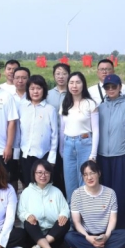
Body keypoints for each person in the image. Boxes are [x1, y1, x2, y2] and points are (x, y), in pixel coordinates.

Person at [65, 160, 125, 248]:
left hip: (105, 235)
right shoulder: (77, 194)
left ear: (99, 173)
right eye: (85, 175)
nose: (89, 177)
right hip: (86, 235)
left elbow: (113, 220)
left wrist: (106, 236)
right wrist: (88, 238)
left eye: (92, 173)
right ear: (82, 177)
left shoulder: (110, 193)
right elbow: (77, 222)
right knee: (69, 237)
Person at [97, 74, 125, 228]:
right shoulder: (100, 107)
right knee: (104, 190)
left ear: (120, 87)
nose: (111, 89)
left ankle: (121, 224)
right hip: (103, 156)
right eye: (107, 87)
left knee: (121, 191)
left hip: (122, 155)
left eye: (114, 86)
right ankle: (105, 223)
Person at [17, 161, 69, 248]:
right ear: (34, 174)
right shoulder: (27, 192)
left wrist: (64, 215)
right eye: (39, 172)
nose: (43, 175)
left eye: (46, 172)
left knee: (65, 222)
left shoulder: (56, 191)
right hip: (34, 236)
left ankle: (39, 247)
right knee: (30, 222)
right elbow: (20, 211)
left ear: (50, 174)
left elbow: (65, 209)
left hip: (53, 236)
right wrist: (27, 216)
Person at [60, 71, 99, 202]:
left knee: (86, 179)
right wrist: (61, 149)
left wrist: (93, 154)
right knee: (70, 181)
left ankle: (86, 212)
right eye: (71, 82)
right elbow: (62, 129)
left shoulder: (90, 103)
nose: (74, 86)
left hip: (85, 143)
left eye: (78, 82)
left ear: (83, 84)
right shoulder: (65, 103)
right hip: (68, 145)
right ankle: (72, 213)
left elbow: (96, 130)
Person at [19, 74, 58, 185]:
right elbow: (18, 132)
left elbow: (54, 135)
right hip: (25, 153)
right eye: (32, 88)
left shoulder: (50, 110)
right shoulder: (22, 108)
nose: (35, 91)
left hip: (43, 154)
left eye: (38, 88)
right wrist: (17, 154)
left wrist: (52, 158)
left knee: (43, 184)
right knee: (27, 184)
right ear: (28, 90)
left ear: (44, 90)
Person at [46, 63, 70, 196]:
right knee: (53, 171)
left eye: (64, 73)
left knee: (67, 171)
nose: (61, 77)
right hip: (51, 140)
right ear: (54, 76)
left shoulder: (73, 94)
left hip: (68, 138)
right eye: (58, 74)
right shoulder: (48, 94)